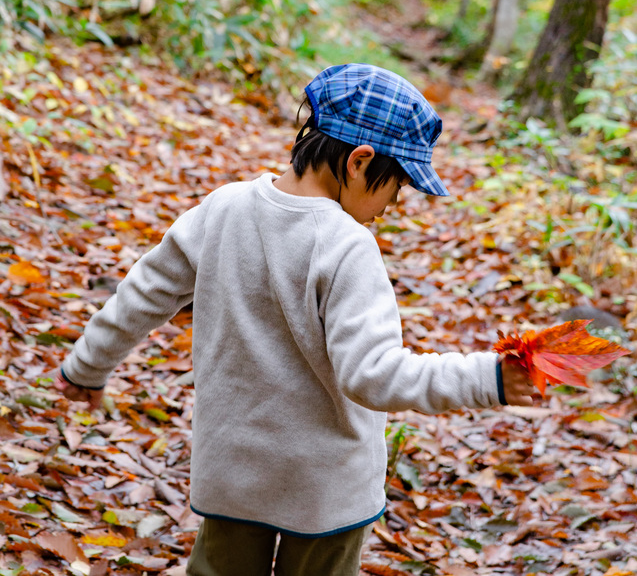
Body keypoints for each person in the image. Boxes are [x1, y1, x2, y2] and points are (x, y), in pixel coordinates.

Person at [54, 63, 536, 576]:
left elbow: (142, 295)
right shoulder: (348, 246)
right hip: (325, 493)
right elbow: (374, 374)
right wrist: (487, 379)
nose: (394, 204)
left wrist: (85, 368)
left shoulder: (224, 207)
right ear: (360, 160)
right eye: (396, 186)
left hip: (232, 476)